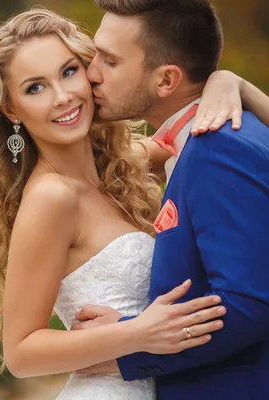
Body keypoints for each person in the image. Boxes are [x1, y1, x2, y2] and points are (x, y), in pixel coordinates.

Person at [0, 7, 269, 400]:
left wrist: (228, 82)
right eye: (35, 88)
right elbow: (21, 353)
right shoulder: (52, 197)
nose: (63, 96)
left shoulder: (125, 165)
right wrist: (135, 333)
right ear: (11, 110)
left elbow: (201, 130)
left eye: (68, 72)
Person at [71, 0, 269, 399]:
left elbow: (250, 305)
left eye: (109, 61)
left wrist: (124, 347)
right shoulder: (196, 143)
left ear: (166, 80)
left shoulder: (218, 148)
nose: (90, 75)